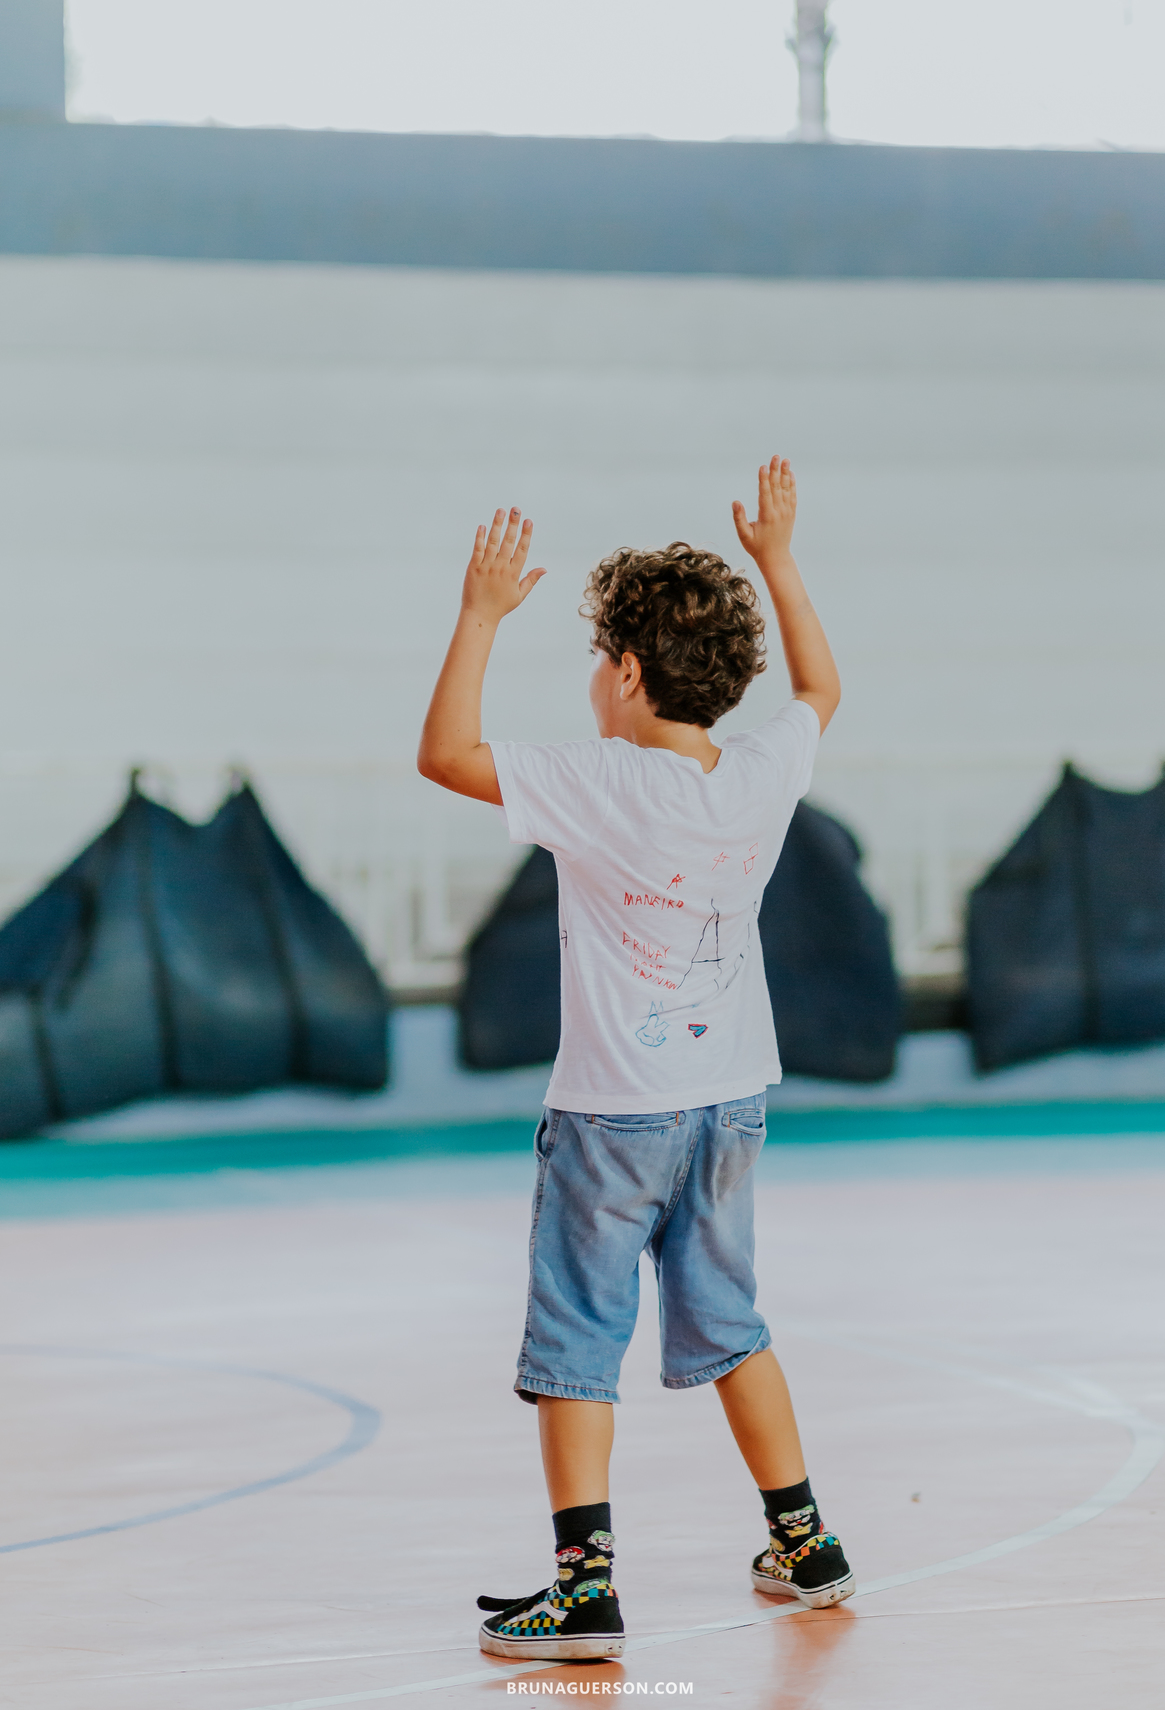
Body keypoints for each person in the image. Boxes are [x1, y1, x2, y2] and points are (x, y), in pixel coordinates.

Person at [417, 456, 853, 1663]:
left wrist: (477, 615)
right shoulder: (759, 772)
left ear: (622, 672)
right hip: (729, 1110)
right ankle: (807, 1543)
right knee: (730, 1327)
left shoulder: (596, 780)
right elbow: (820, 684)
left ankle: (585, 1589)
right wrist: (779, 560)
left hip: (612, 1117)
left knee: (575, 1336)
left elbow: (447, 754)